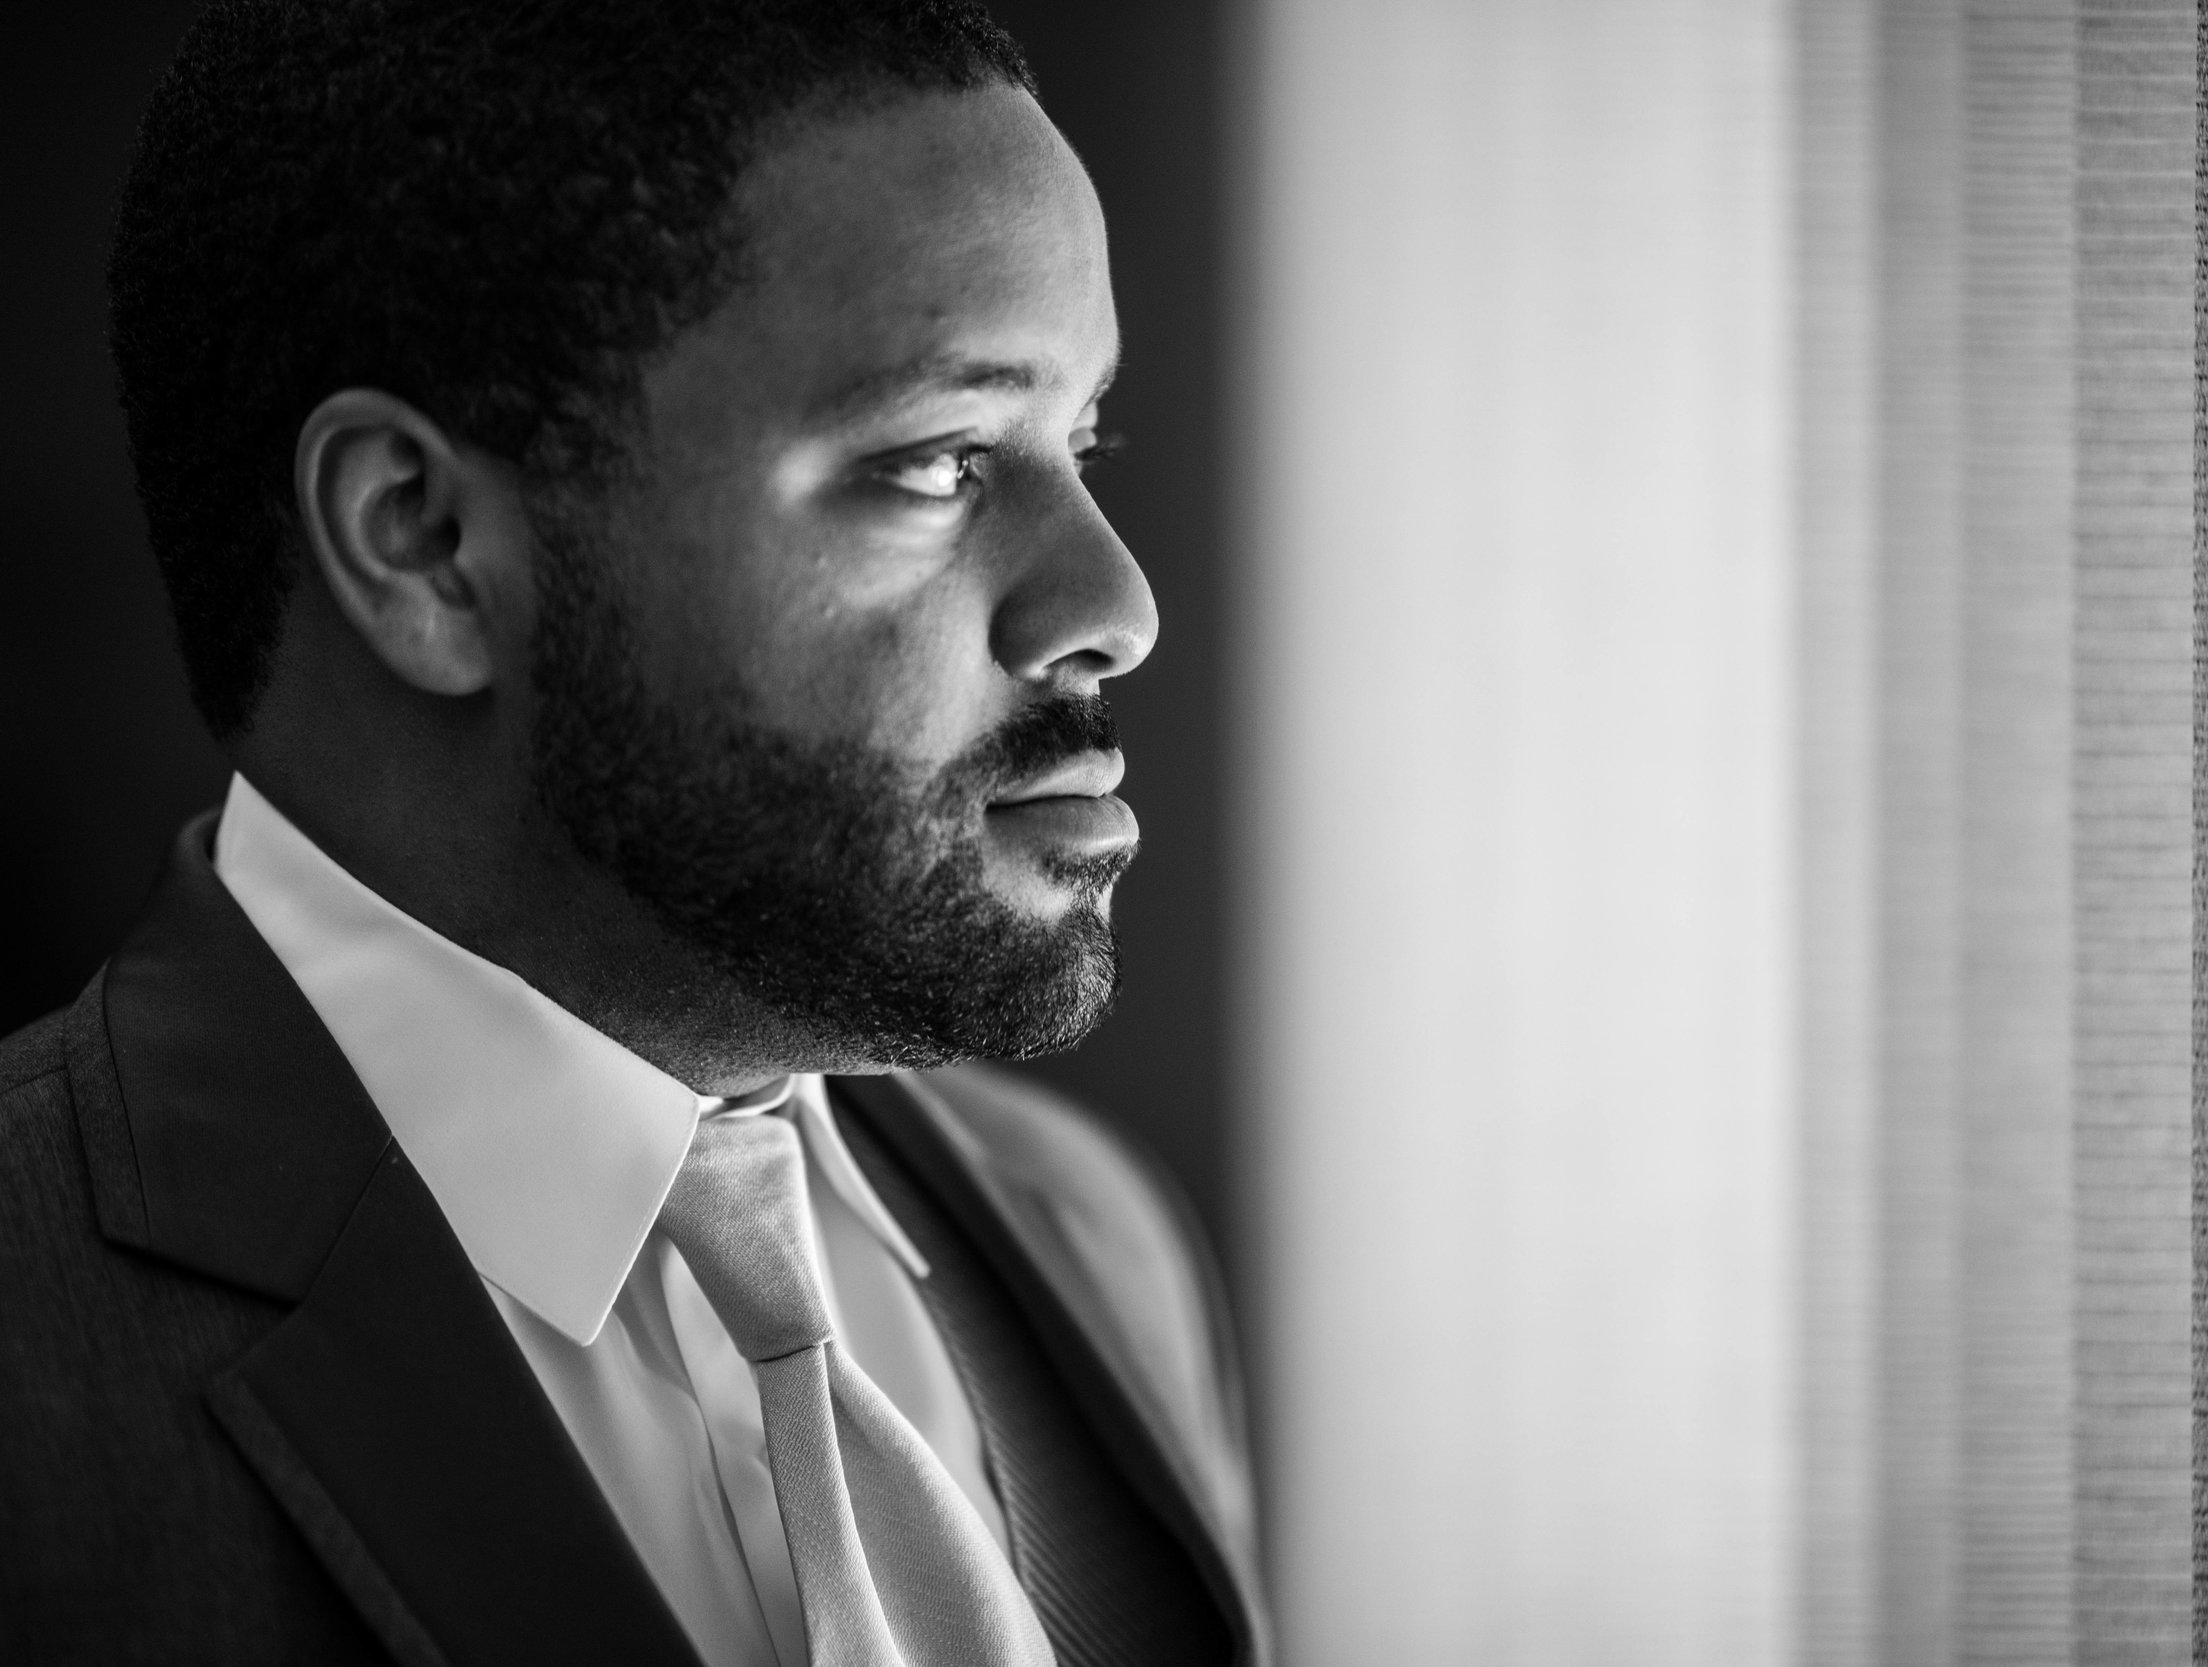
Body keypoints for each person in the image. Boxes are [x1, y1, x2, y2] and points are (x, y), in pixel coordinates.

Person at [0, 2, 1264, 1663]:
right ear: (425, 544)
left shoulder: (1093, 1236)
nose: (1117, 604)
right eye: (940, 462)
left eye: (1078, 439)